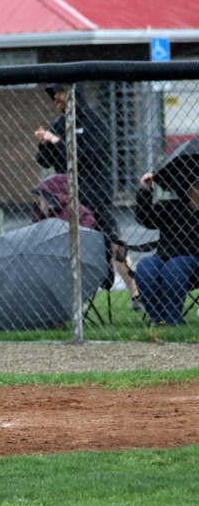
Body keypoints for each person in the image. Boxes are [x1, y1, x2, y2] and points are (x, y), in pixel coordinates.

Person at [35, 82, 142, 312]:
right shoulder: (58, 124)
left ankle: (136, 295)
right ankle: (76, 302)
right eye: (53, 93)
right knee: (70, 248)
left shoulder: (94, 122)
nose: (55, 96)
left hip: (94, 195)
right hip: (67, 201)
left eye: (59, 91)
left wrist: (58, 143)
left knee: (114, 244)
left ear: (74, 94)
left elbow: (88, 157)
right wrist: (45, 143)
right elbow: (44, 161)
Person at [134, 172, 199, 325]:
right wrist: (146, 190)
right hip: (165, 259)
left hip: (194, 265)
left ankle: (173, 320)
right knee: (145, 266)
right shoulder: (172, 207)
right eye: (196, 186)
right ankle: (159, 320)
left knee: (175, 266)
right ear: (188, 189)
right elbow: (145, 218)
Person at [31, 174, 96, 229]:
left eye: (43, 196)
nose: (39, 200)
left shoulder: (78, 212)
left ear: (52, 198)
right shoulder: (41, 216)